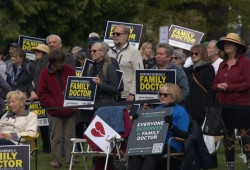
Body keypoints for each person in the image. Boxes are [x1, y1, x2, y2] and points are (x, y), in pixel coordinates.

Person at [128, 83, 190, 170]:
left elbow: (184, 135)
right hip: (154, 142)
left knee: (151, 151)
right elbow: (147, 128)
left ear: (173, 95)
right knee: (137, 151)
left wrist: (171, 126)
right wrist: (138, 119)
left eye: (165, 94)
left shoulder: (181, 111)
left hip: (172, 143)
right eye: (160, 94)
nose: (162, 97)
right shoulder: (157, 110)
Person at [213, 33, 250, 170]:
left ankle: (249, 163)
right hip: (225, 106)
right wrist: (218, 87)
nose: (227, 45)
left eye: (230, 43)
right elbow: (214, 84)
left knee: (245, 136)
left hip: (242, 106)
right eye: (225, 44)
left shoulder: (245, 62)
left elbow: (248, 83)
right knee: (228, 137)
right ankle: (230, 165)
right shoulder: (222, 64)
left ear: (237, 47)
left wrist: (230, 87)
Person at [37, 49, 76, 168]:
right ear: (52, 62)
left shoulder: (69, 69)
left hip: (70, 110)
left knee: (70, 138)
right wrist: (53, 104)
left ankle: (71, 162)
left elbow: (75, 85)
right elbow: (42, 93)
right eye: (58, 62)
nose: (61, 65)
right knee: (56, 138)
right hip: (54, 111)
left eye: (62, 62)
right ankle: (56, 162)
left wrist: (74, 102)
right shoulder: (44, 73)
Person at [108, 24, 144, 102]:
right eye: (113, 34)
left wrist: (132, 93)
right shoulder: (109, 52)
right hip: (112, 95)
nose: (114, 36)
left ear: (126, 36)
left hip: (127, 96)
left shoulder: (134, 52)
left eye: (118, 34)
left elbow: (138, 73)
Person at [184, 44, 215, 127]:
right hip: (189, 106)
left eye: (196, 53)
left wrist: (207, 106)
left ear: (203, 54)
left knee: (197, 131)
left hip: (201, 106)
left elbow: (210, 89)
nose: (193, 55)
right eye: (192, 53)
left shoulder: (208, 68)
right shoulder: (189, 69)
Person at [31, 43, 51, 153]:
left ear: (44, 53)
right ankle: (36, 148)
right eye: (35, 52)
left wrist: (39, 92)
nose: (36, 53)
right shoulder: (34, 64)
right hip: (35, 96)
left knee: (45, 124)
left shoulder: (47, 64)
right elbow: (32, 79)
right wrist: (32, 91)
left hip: (44, 96)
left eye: (38, 51)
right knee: (35, 123)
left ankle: (47, 148)